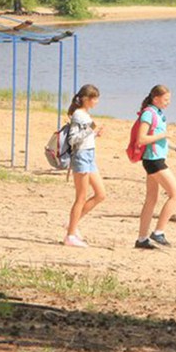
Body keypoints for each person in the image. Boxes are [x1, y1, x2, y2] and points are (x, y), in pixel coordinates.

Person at [133, 84, 176, 250]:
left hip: (155, 158)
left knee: (151, 199)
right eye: (166, 99)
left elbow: (160, 139)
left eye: (169, 100)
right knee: (175, 194)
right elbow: (141, 139)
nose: (168, 103)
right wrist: (163, 134)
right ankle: (158, 232)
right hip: (153, 160)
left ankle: (141, 239)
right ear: (155, 98)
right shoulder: (148, 114)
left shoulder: (157, 113)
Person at [64, 84, 105, 247]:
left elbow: (85, 137)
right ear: (86, 99)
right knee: (81, 197)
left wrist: (95, 134)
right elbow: (73, 139)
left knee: (101, 194)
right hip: (81, 156)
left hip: (89, 155)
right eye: (95, 99)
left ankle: (72, 224)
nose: (97, 102)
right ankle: (70, 235)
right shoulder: (78, 115)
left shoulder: (84, 114)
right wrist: (91, 130)